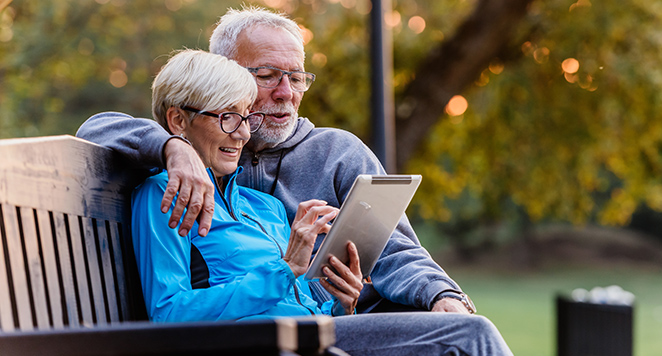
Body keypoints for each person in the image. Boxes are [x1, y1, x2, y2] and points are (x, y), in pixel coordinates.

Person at [77, 5, 472, 314]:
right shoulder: (199, 142)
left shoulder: (336, 153)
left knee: (463, 330)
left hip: (349, 320)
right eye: (267, 75)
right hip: (266, 337)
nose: (286, 92)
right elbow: (98, 128)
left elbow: (396, 250)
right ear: (226, 78)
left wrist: (441, 295)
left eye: (296, 77)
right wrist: (172, 148)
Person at [133, 48, 512, 355]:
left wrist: (341, 300)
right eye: (228, 118)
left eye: (246, 119)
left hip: (319, 335)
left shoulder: (260, 205)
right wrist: (285, 269)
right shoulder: (161, 196)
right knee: (467, 336)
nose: (241, 135)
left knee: (457, 330)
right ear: (178, 121)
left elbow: (311, 294)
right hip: (264, 344)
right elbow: (169, 315)